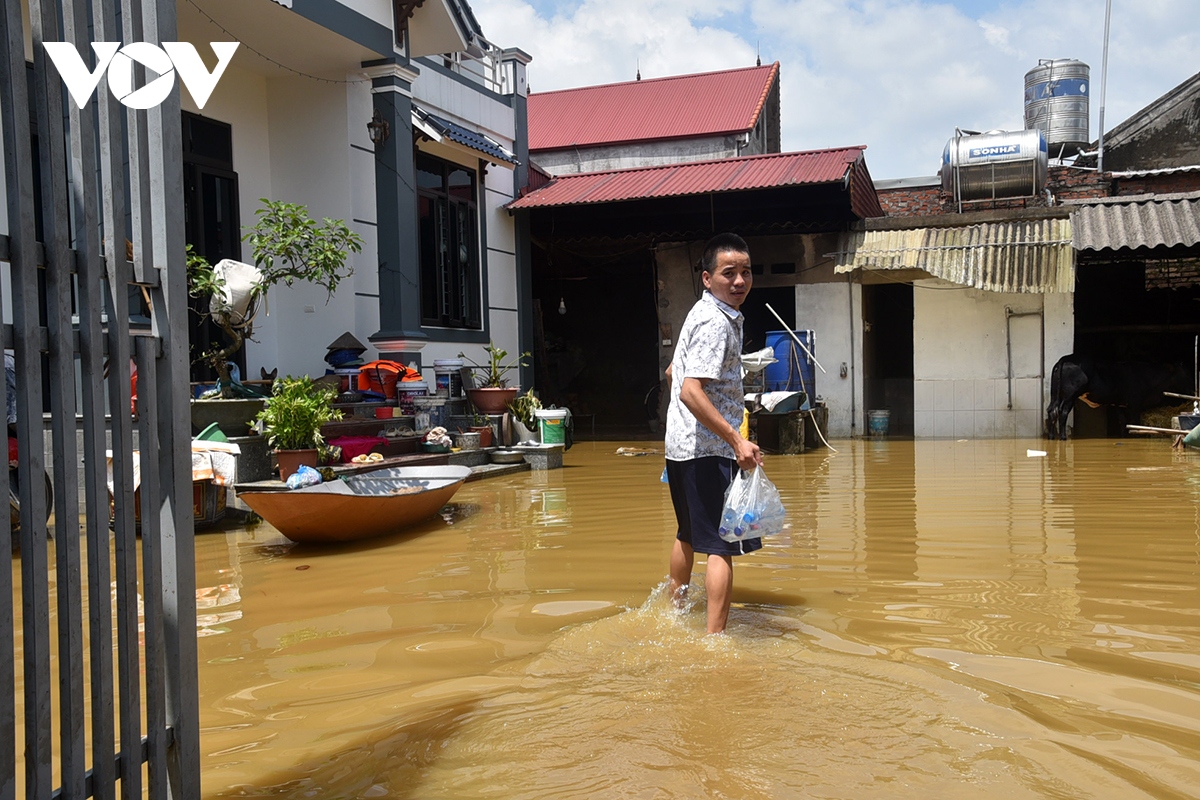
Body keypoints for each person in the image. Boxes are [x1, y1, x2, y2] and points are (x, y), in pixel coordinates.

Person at [664, 232, 763, 634]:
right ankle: (714, 641)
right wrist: (737, 439)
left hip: (682, 447)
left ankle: (674, 612)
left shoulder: (699, 313)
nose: (739, 281)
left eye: (746, 272)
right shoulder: (717, 322)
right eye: (728, 273)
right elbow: (690, 389)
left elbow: (674, 372)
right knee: (722, 547)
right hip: (707, 451)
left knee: (687, 534)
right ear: (708, 278)